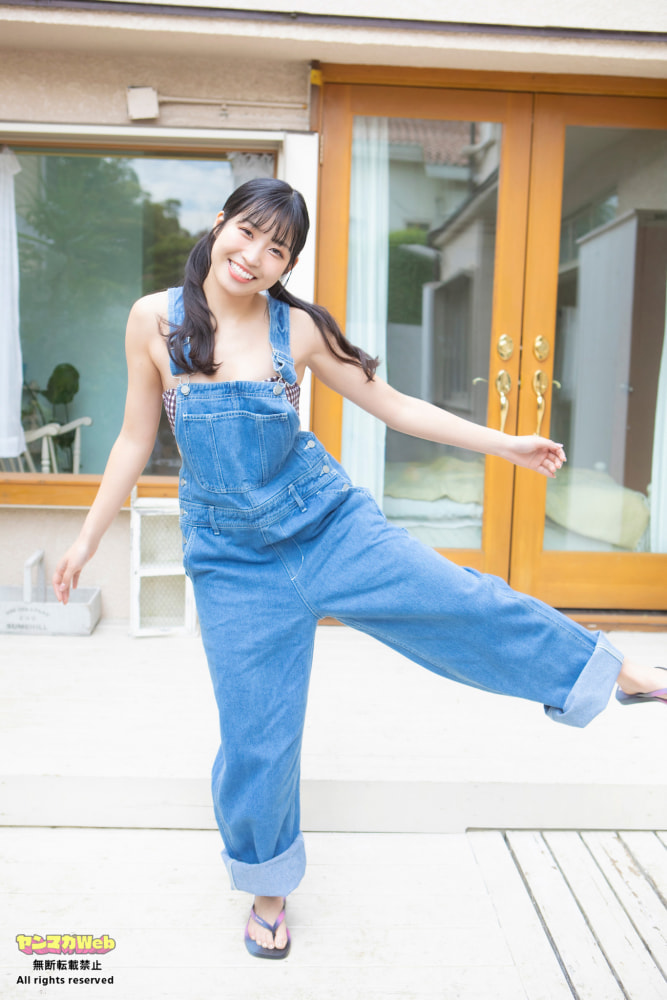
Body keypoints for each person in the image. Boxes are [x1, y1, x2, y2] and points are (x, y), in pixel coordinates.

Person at [53, 177, 666, 960]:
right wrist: (86, 538)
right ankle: (267, 886)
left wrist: (505, 444)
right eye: (248, 232)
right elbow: (134, 439)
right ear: (220, 224)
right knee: (256, 736)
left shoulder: (298, 330)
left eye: (278, 249)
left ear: (288, 265)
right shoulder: (154, 320)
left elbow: (396, 405)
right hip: (233, 562)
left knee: (462, 600)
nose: (255, 255)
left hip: (327, 527)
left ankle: (612, 670)